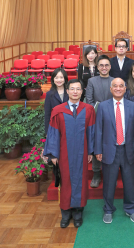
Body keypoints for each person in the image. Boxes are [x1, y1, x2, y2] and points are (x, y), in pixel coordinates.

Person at [44, 79, 95, 228]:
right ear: (67, 91)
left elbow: (91, 132)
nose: (75, 92)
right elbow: (53, 133)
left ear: (82, 91)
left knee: (80, 180)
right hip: (64, 153)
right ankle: (65, 213)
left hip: (82, 152)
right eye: (72, 89)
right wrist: (53, 154)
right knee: (65, 181)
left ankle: (78, 212)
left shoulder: (89, 109)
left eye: (78, 89)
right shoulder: (58, 110)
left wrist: (91, 151)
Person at [95, 78, 134, 224]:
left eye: (121, 86)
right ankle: (108, 209)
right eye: (115, 86)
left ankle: (131, 208)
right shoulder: (102, 106)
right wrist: (98, 150)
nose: (118, 88)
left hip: (128, 150)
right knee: (109, 183)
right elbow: (98, 130)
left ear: (125, 88)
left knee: (129, 182)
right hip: (109, 150)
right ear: (111, 89)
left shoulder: (132, 106)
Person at [86, 55, 114, 188]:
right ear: (97, 67)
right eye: (101, 65)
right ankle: (96, 174)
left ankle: (110, 174)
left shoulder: (115, 81)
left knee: (111, 146)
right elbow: (89, 101)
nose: (104, 67)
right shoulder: (92, 81)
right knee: (97, 146)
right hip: (96, 119)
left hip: (113, 119)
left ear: (110, 67)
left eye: (106, 65)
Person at [44, 68, 69, 135]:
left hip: (69, 125)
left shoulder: (70, 92)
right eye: (56, 77)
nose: (59, 80)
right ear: (53, 79)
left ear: (65, 79)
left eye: (61, 77)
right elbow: (47, 114)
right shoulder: (49, 94)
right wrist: (47, 132)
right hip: (55, 126)